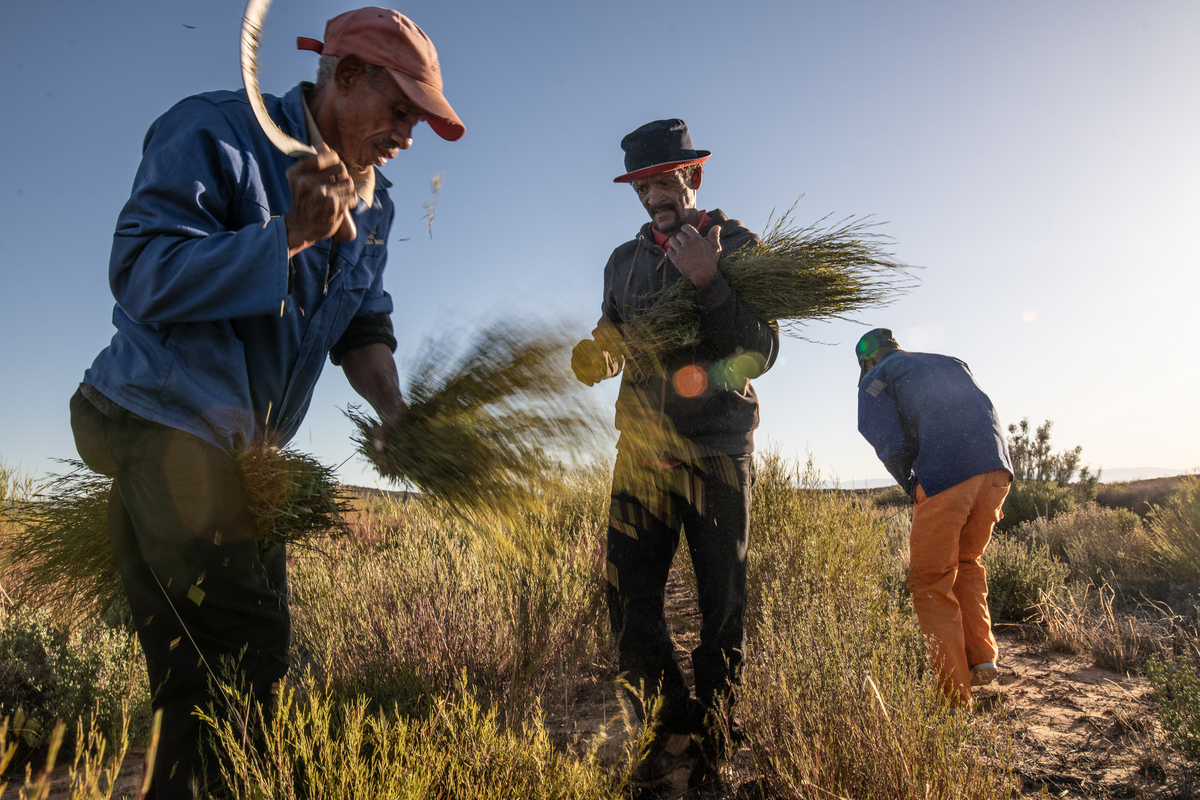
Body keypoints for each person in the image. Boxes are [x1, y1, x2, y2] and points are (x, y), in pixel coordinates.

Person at [68, 8, 463, 797]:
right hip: (163, 424)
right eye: (399, 111)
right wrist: (285, 234)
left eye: (418, 121)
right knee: (238, 663)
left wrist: (395, 411)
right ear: (345, 77)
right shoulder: (214, 132)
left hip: (246, 457)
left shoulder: (374, 204)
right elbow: (142, 272)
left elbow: (363, 325)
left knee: (231, 673)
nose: (407, 136)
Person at [571, 119, 778, 790]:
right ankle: (670, 728)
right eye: (640, 185)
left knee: (722, 605)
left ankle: (714, 739)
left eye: (663, 179)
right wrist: (593, 355)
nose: (652, 194)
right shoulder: (622, 263)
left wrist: (710, 280)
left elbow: (760, 352)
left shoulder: (740, 245)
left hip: (717, 449)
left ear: (693, 175)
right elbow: (611, 336)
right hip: (640, 449)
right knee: (628, 598)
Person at [855, 328, 1013, 708]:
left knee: (929, 582)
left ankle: (953, 699)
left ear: (867, 359)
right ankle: (981, 658)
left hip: (946, 476)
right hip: (996, 470)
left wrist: (913, 483)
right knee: (966, 561)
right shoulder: (950, 361)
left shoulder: (877, 376)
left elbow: (880, 434)